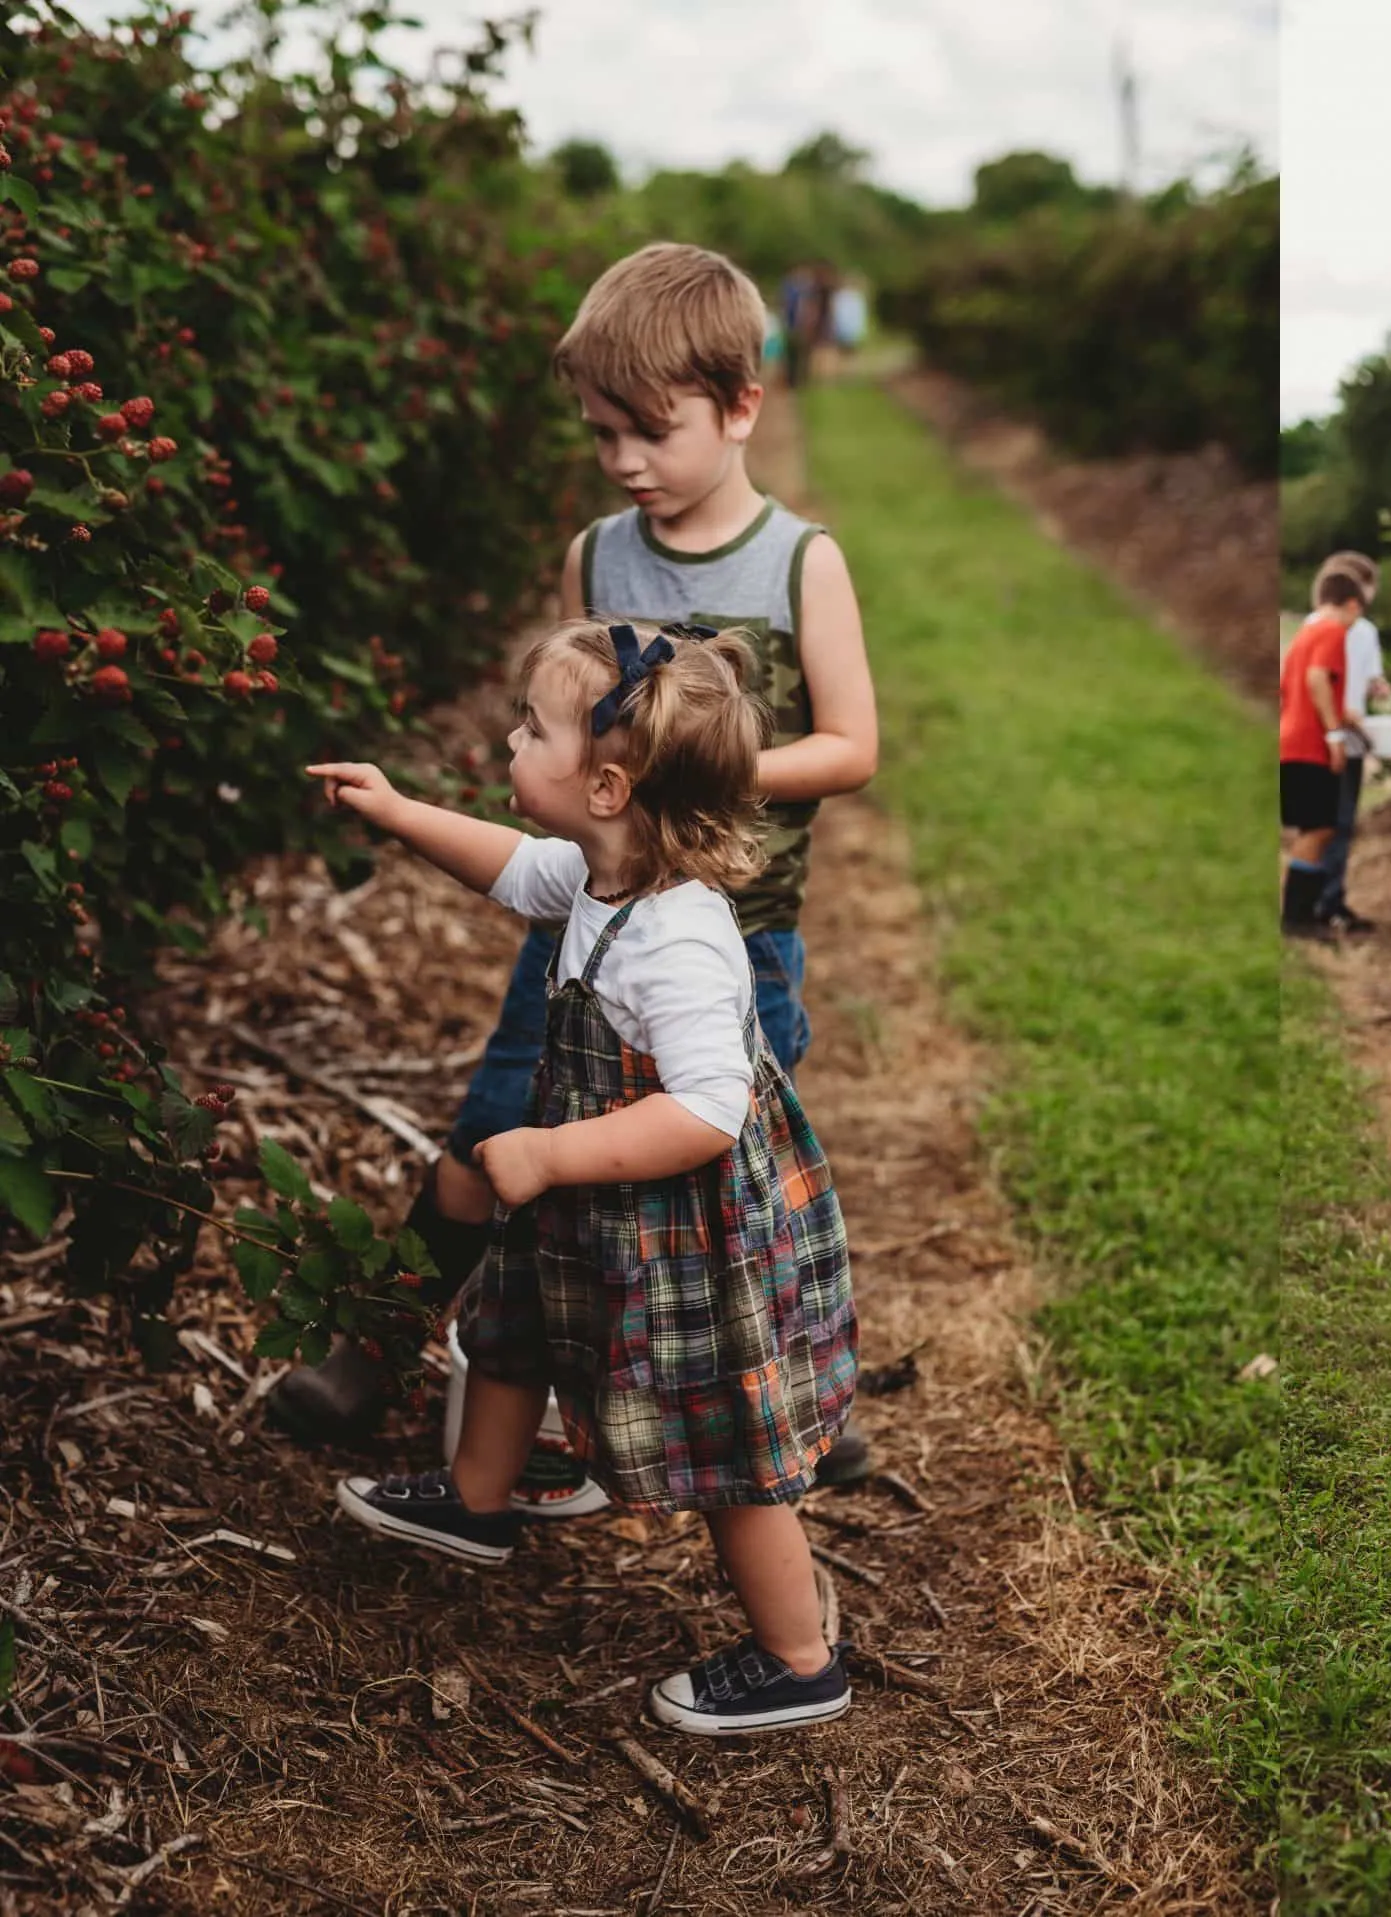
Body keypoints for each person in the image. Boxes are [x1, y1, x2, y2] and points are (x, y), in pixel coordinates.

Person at [269, 242, 882, 1496]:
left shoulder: (797, 563)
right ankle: (378, 1344)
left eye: (649, 433)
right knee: (496, 1133)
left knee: (720, 1182)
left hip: (734, 942)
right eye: (602, 434)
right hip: (580, 935)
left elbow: (853, 745)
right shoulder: (598, 557)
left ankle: (787, 1398)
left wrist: (703, 773)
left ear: (743, 403)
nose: (622, 462)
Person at [316, 618, 862, 1735]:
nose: (511, 744)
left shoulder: (682, 938)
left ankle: (799, 1657)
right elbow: (512, 871)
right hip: (590, 1204)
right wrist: (396, 809)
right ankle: (477, 1501)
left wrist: (552, 1151)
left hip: (674, 1228)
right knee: (512, 1323)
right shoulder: (601, 877)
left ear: (607, 785)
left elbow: (709, 1111)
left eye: (532, 730)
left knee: (726, 1446)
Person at [1280, 564, 1367, 936]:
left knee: (1317, 827)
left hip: (1292, 738)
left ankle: (1305, 913)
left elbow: (1293, 684)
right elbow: (1317, 678)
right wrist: (1334, 735)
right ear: (1352, 606)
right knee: (1317, 829)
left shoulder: (1306, 631)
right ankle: (1297, 916)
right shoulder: (1333, 630)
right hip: (1309, 744)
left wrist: (1340, 715)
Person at [1310, 550, 1391, 933]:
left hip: (1348, 736)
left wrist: (1378, 687)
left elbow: (1369, 677)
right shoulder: (1326, 629)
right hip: (1335, 736)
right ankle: (1321, 901)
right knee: (1331, 822)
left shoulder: (1363, 631)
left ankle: (1330, 898)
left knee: (1339, 823)